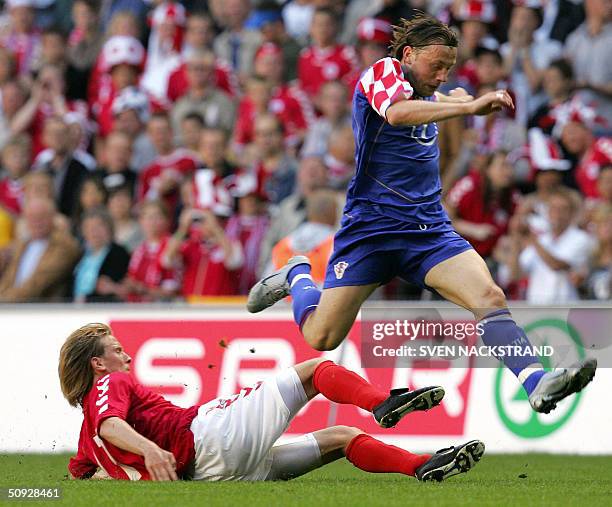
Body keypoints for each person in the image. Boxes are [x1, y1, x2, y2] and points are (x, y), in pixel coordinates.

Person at [248, 14, 597, 414]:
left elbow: (442, 99)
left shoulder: (428, 91)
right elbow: (398, 113)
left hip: (427, 230)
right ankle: (297, 273)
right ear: (409, 54)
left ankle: (536, 381)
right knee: (322, 337)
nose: (443, 75)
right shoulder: (383, 73)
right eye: (437, 66)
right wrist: (468, 108)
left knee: (488, 295)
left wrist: (467, 103)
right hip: (371, 232)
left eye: (449, 67)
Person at [59, 322, 484, 482]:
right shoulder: (108, 384)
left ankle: (420, 465)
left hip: (213, 477)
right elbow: (110, 424)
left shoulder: (85, 439)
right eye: (117, 350)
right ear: (98, 363)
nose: (127, 357)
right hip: (209, 438)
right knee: (315, 370)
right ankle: (382, 402)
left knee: (340, 437)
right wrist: (151, 451)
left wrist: (130, 475)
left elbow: (81, 474)